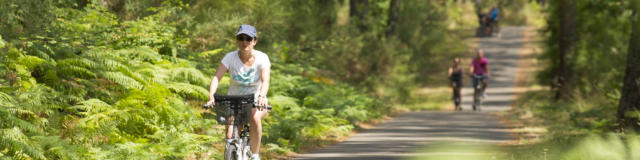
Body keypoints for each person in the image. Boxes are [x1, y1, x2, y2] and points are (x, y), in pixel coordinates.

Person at [206, 24, 270, 160]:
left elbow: (265, 81)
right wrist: (211, 96)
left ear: (255, 41)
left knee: (254, 118)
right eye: (241, 38)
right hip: (234, 101)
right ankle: (232, 153)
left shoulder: (262, 58)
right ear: (237, 41)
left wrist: (262, 96)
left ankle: (254, 155)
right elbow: (217, 77)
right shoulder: (230, 57)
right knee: (230, 135)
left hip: (255, 100)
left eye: (248, 38)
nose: (244, 42)